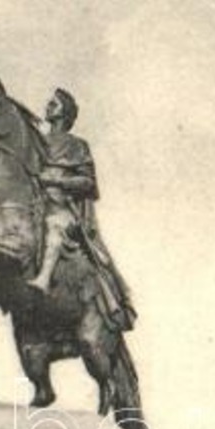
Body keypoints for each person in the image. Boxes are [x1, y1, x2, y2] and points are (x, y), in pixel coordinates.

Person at [28, 89, 136, 331]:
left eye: (54, 104)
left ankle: (43, 278)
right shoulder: (35, 141)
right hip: (34, 204)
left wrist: (56, 181)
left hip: (61, 207)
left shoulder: (78, 146)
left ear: (65, 114)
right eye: (49, 102)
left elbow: (88, 182)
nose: (48, 106)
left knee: (55, 226)